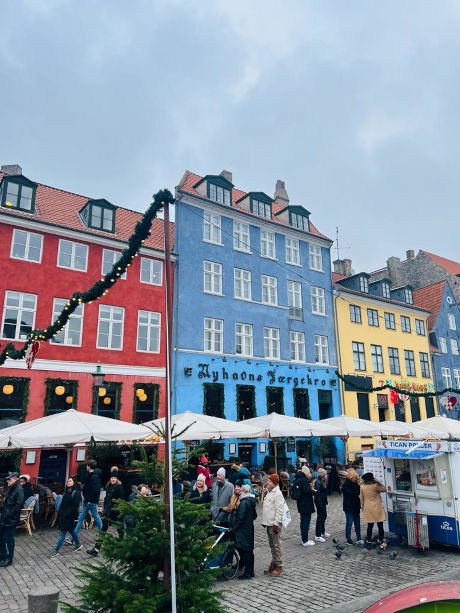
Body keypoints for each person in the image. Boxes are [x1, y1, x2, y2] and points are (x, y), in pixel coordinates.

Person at [87, 472, 125, 557]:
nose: (113, 479)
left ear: (117, 479)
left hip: (116, 513)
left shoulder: (119, 488)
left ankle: (123, 548)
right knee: (103, 530)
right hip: (108, 513)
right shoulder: (108, 487)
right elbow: (107, 501)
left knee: (120, 530)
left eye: (115, 478)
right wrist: (105, 511)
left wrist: (116, 510)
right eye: (112, 478)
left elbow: (120, 501)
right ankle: (96, 550)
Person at [50, 476, 82, 557]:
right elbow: (63, 504)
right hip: (63, 515)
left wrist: (67, 514)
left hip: (69, 516)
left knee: (62, 534)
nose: (68, 482)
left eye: (70, 481)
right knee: (72, 531)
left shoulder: (76, 493)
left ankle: (56, 550)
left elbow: (75, 506)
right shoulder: (66, 492)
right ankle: (78, 544)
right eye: (67, 481)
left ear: (74, 482)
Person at [262, 473, 285, 576]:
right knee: (272, 546)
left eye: (270, 481)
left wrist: (276, 524)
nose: (268, 482)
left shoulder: (278, 493)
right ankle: (274, 563)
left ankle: (279, 565)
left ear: (275, 483)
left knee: (277, 545)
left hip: (274, 524)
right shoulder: (269, 491)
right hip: (268, 523)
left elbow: (280, 510)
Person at [233, 483, 257, 580]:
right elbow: (254, 516)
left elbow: (240, 518)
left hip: (243, 530)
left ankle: (247, 573)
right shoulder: (251, 501)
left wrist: (235, 527)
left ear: (243, 491)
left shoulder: (244, 502)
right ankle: (251, 571)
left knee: (244, 551)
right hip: (249, 528)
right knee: (249, 551)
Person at [0, 473, 24, 567]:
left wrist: (8, 515)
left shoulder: (19, 490)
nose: (7, 481)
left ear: (15, 479)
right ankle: (3, 556)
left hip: (11, 520)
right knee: (1, 538)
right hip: (5, 518)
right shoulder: (12, 488)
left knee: (10, 540)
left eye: (9, 479)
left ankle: (9, 559)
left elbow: (18, 506)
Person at [74, 460, 103, 535]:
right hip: (87, 500)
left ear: (89, 467)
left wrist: (90, 500)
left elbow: (95, 490)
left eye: (87, 466)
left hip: (90, 501)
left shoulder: (94, 477)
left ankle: (102, 532)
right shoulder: (90, 475)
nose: (86, 467)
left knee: (95, 516)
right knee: (82, 517)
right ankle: (74, 534)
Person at [360, 472, 386, 545]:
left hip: (368, 506)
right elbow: (384, 489)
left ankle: (368, 539)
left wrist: (362, 507)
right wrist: (379, 482)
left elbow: (361, 498)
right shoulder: (375, 485)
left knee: (370, 525)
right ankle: (380, 539)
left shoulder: (362, 486)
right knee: (380, 525)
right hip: (377, 506)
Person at [293, 466, 316, 546]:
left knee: (303, 521)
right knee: (306, 522)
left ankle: (304, 539)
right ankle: (305, 540)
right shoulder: (305, 480)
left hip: (300, 503)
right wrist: (314, 491)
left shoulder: (298, 479)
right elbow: (307, 491)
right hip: (306, 504)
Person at [342, 469, 363, 545]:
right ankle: (348, 538)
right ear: (351, 477)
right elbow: (352, 494)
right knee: (349, 523)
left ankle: (359, 538)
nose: (356, 479)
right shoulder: (346, 485)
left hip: (356, 506)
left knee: (357, 523)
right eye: (355, 478)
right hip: (349, 507)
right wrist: (359, 489)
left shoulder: (356, 484)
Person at [314, 467, 330, 542]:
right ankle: (317, 535)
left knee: (324, 516)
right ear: (323, 475)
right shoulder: (318, 483)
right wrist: (320, 504)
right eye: (326, 474)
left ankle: (322, 532)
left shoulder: (322, 481)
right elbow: (318, 495)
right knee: (320, 517)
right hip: (319, 502)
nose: (327, 476)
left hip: (322, 501)